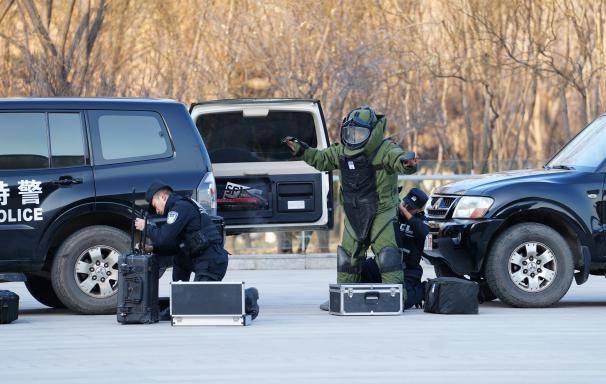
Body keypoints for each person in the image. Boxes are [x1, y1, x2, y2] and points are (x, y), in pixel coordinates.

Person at [284, 106, 418, 289]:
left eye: (360, 133)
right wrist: (301, 149)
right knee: (347, 258)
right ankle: (345, 294)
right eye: (350, 133)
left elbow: (398, 159)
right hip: (354, 212)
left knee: (388, 256)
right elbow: (321, 159)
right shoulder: (341, 152)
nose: (354, 138)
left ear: (372, 133)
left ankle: (395, 295)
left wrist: (407, 163)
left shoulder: (386, 149)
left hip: (382, 211)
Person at [135, 181, 259, 319]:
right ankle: (179, 302)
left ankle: (247, 297)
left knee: (201, 303)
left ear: (163, 197)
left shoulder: (180, 208)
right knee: (179, 257)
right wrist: (152, 248)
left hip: (211, 262)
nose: (157, 211)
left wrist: (146, 226)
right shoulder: (183, 205)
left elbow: (163, 237)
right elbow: (175, 244)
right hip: (199, 258)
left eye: (155, 205)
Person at [361, 188, 430, 309]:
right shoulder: (392, 216)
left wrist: (405, 212)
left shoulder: (422, 221)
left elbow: (424, 232)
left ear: (419, 210)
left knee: (399, 302)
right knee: (363, 268)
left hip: (408, 269)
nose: (406, 208)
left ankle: (422, 289)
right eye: (406, 204)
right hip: (385, 264)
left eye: (410, 207)